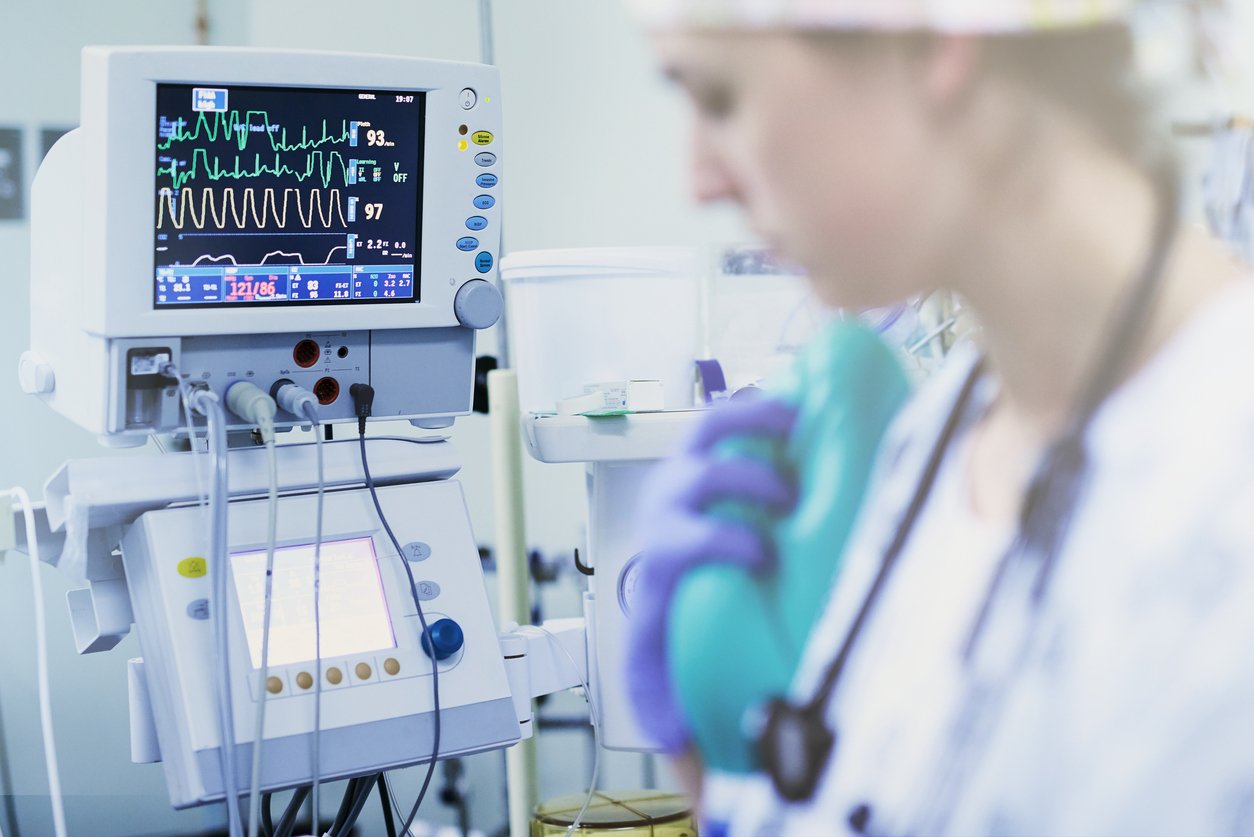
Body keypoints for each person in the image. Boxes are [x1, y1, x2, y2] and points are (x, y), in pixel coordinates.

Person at [622, 1, 1254, 835]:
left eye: (720, 98)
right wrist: (701, 755)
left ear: (930, 44)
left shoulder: (1223, 475)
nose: (698, 180)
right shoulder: (940, 436)